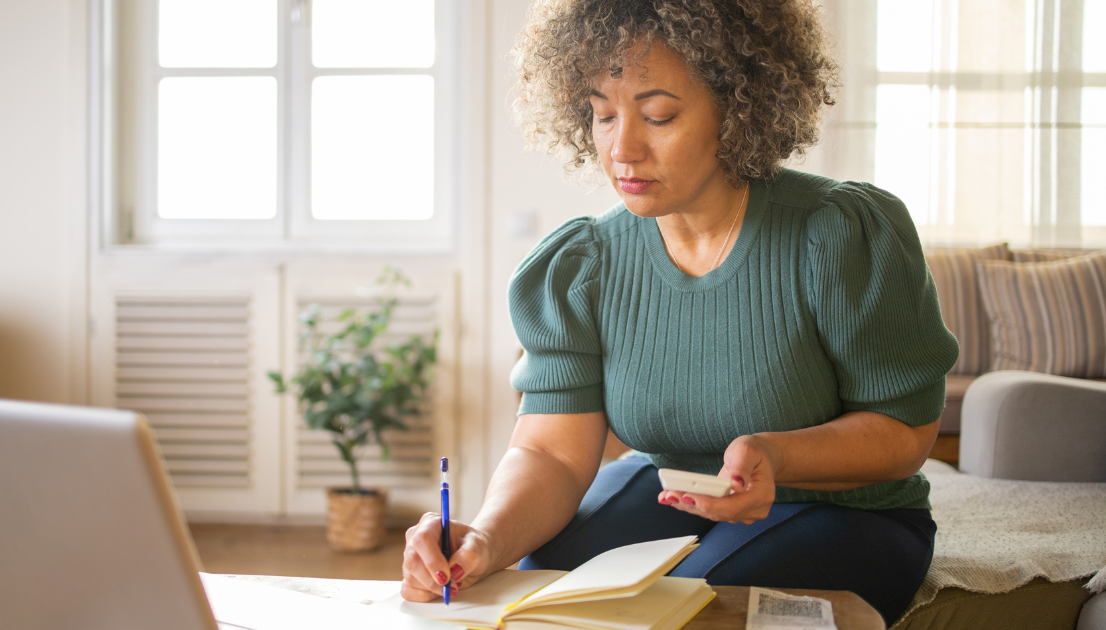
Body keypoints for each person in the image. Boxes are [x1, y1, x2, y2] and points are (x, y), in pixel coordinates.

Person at [401, 0, 958, 624]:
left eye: (658, 115)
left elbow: (903, 430)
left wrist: (777, 456)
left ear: (739, 106)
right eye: (602, 114)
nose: (623, 148)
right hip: (671, 487)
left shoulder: (837, 234)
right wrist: (484, 539)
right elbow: (552, 454)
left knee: (689, 608)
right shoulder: (583, 264)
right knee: (536, 583)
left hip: (852, 513)